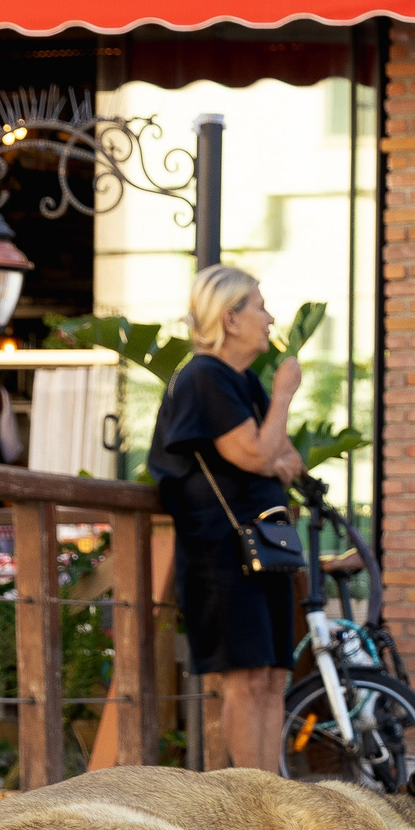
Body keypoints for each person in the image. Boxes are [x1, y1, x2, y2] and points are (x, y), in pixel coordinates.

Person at [147, 265, 303, 773]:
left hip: (263, 545)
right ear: (230, 319)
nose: (270, 318)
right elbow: (258, 455)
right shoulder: (204, 377)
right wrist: (284, 395)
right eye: (260, 307)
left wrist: (269, 450)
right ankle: (253, 797)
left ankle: (272, 794)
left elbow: (288, 457)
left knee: (272, 676)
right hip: (221, 551)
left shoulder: (243, 382)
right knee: (245, 676)